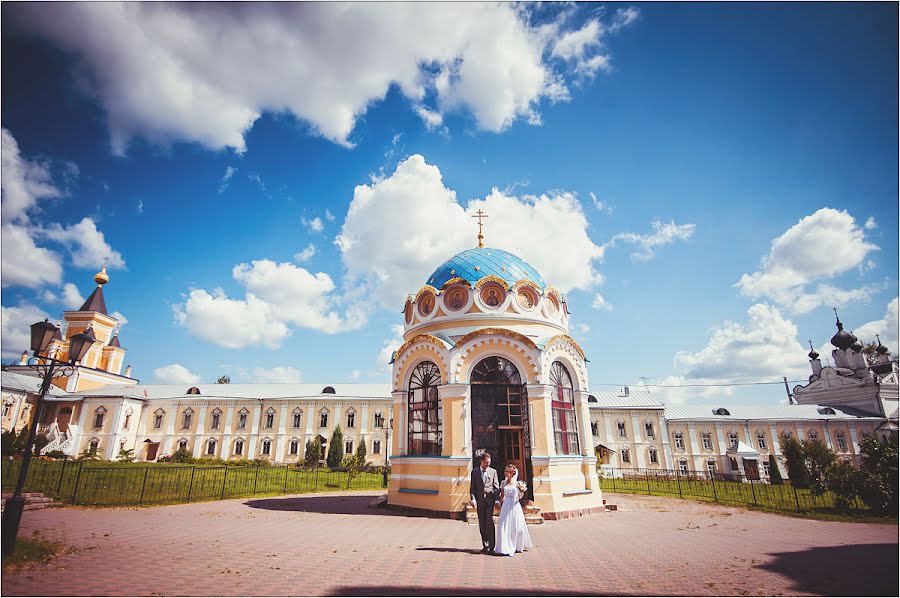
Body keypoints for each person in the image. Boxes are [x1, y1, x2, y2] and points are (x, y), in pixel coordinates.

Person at [494, 463, 533, 556]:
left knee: (516, 526)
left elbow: (519, 496)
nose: (505, 473)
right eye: (505, 471)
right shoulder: (503, 482)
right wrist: (498, 503)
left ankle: (517, 544)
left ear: (512, 473)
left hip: (514, 506)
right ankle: (504, 546)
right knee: (504, 525)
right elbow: (502, 495)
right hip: (506, 505)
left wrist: (522, 491)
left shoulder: (517, 484)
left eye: (507, 472)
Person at [469, 451, 500, 553]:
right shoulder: (475, 472)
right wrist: (473, 499)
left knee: (489, 522)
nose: (488, 464)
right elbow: (472, 488)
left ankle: (492, 546)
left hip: (490, 501)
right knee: (482, 523)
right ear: (482, 461)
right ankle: (485, 544)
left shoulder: (493, 471)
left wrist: (496, 499)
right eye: (486, 462)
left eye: (489, 462)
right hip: (480, 501)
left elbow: (496, 487)